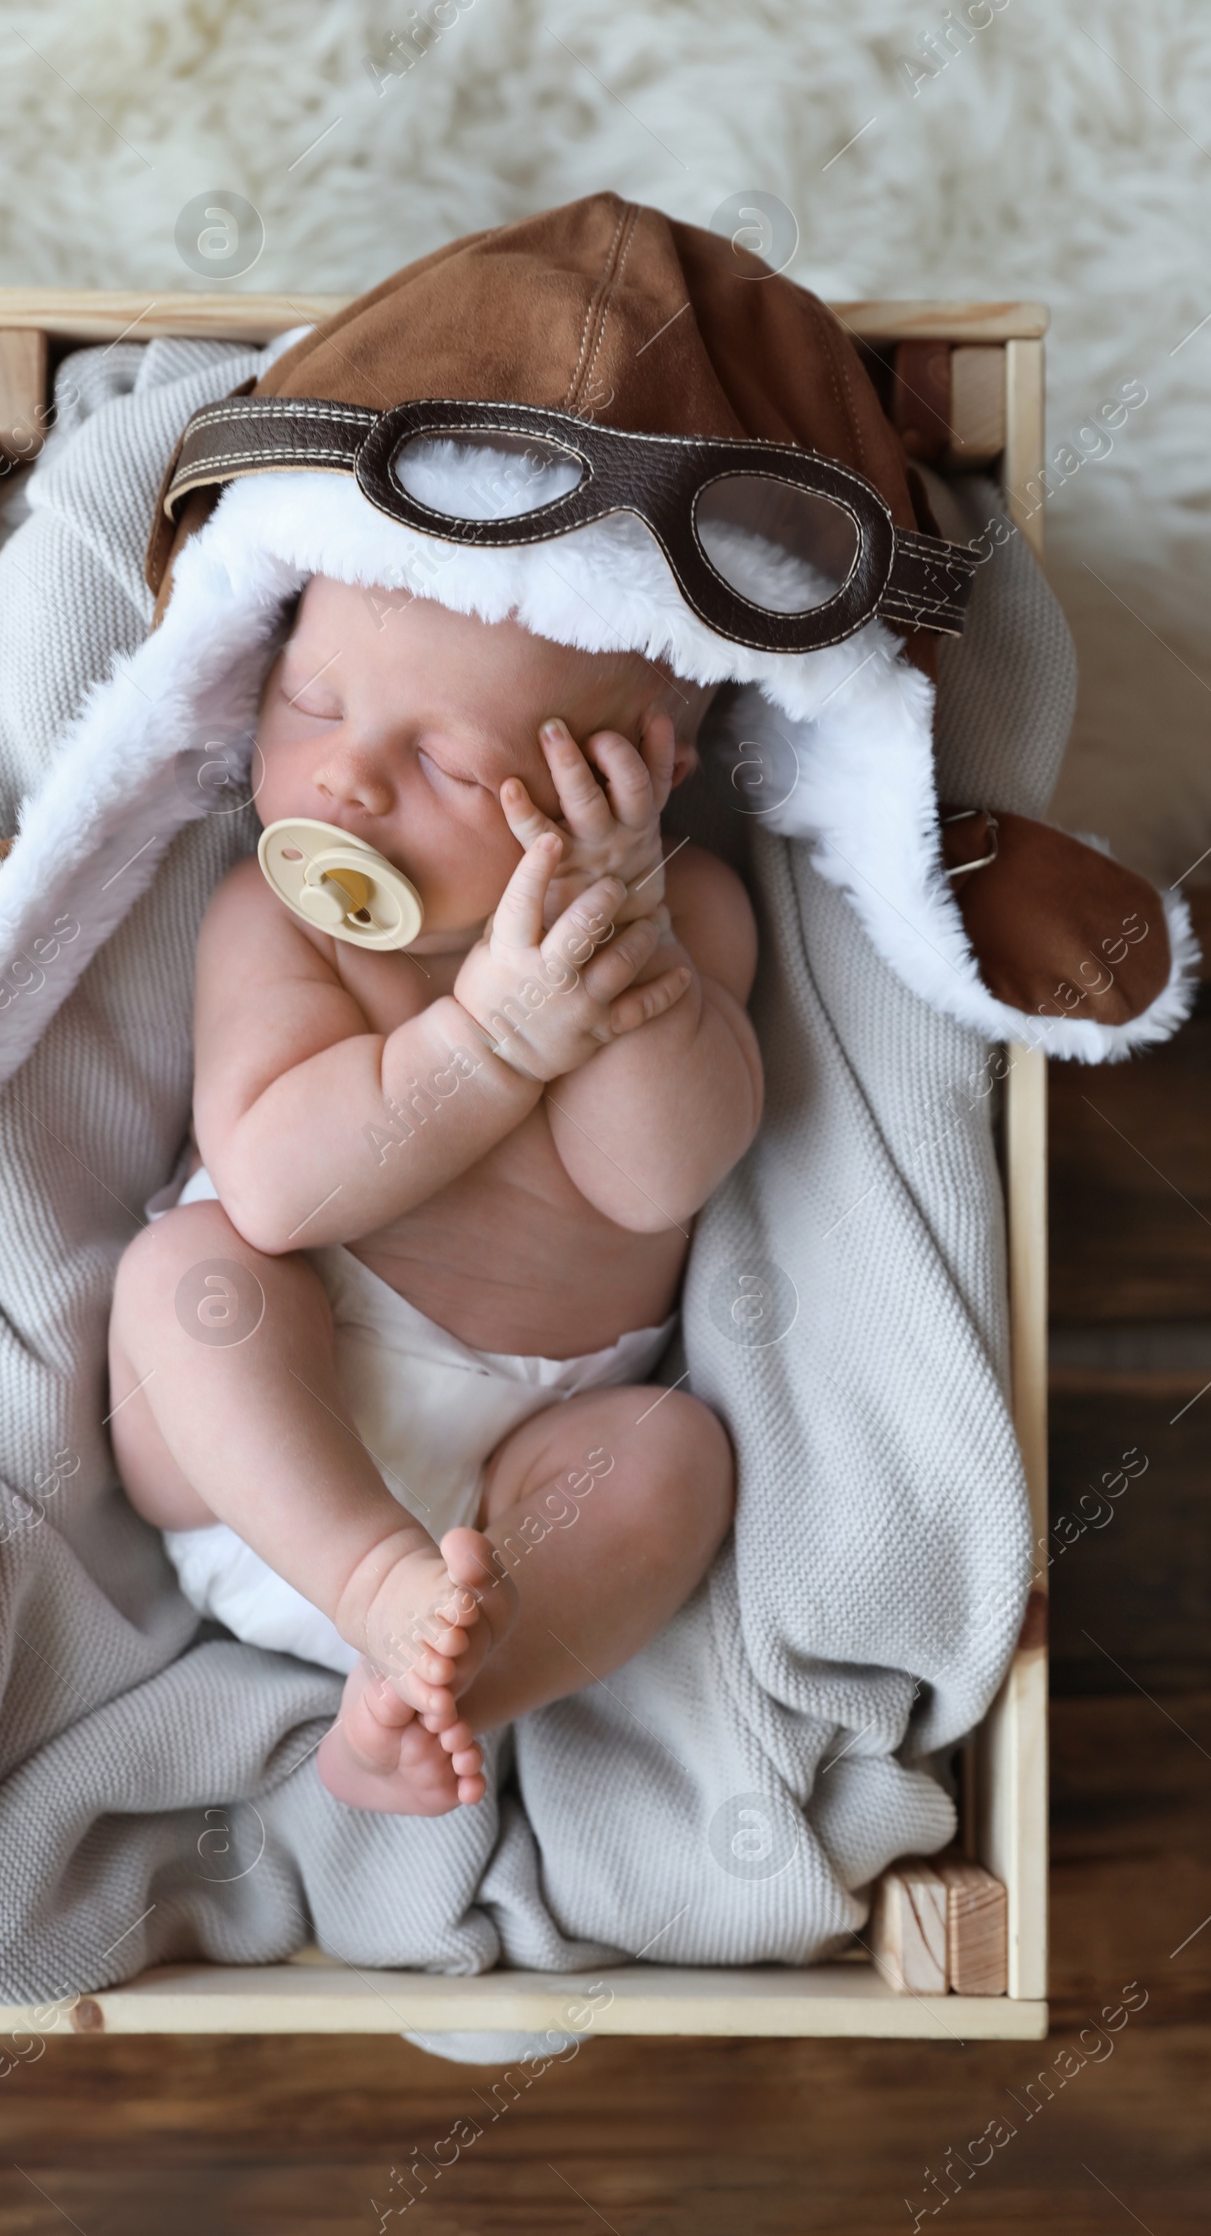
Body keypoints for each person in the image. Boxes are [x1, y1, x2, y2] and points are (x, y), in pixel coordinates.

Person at [107, 569, 762, 1815]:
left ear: (641, 772)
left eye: (452, 768)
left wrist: (620, 930)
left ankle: (420, 1711)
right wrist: (488, 1044)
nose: (346, 777)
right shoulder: (283, 924)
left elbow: (654, 1183)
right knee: (188, 1277)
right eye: (309, 701)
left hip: (526, 1476)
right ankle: (368, 1589)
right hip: (256, 1464)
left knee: (672, 1459)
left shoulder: (691, 925)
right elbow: (279, 1193)